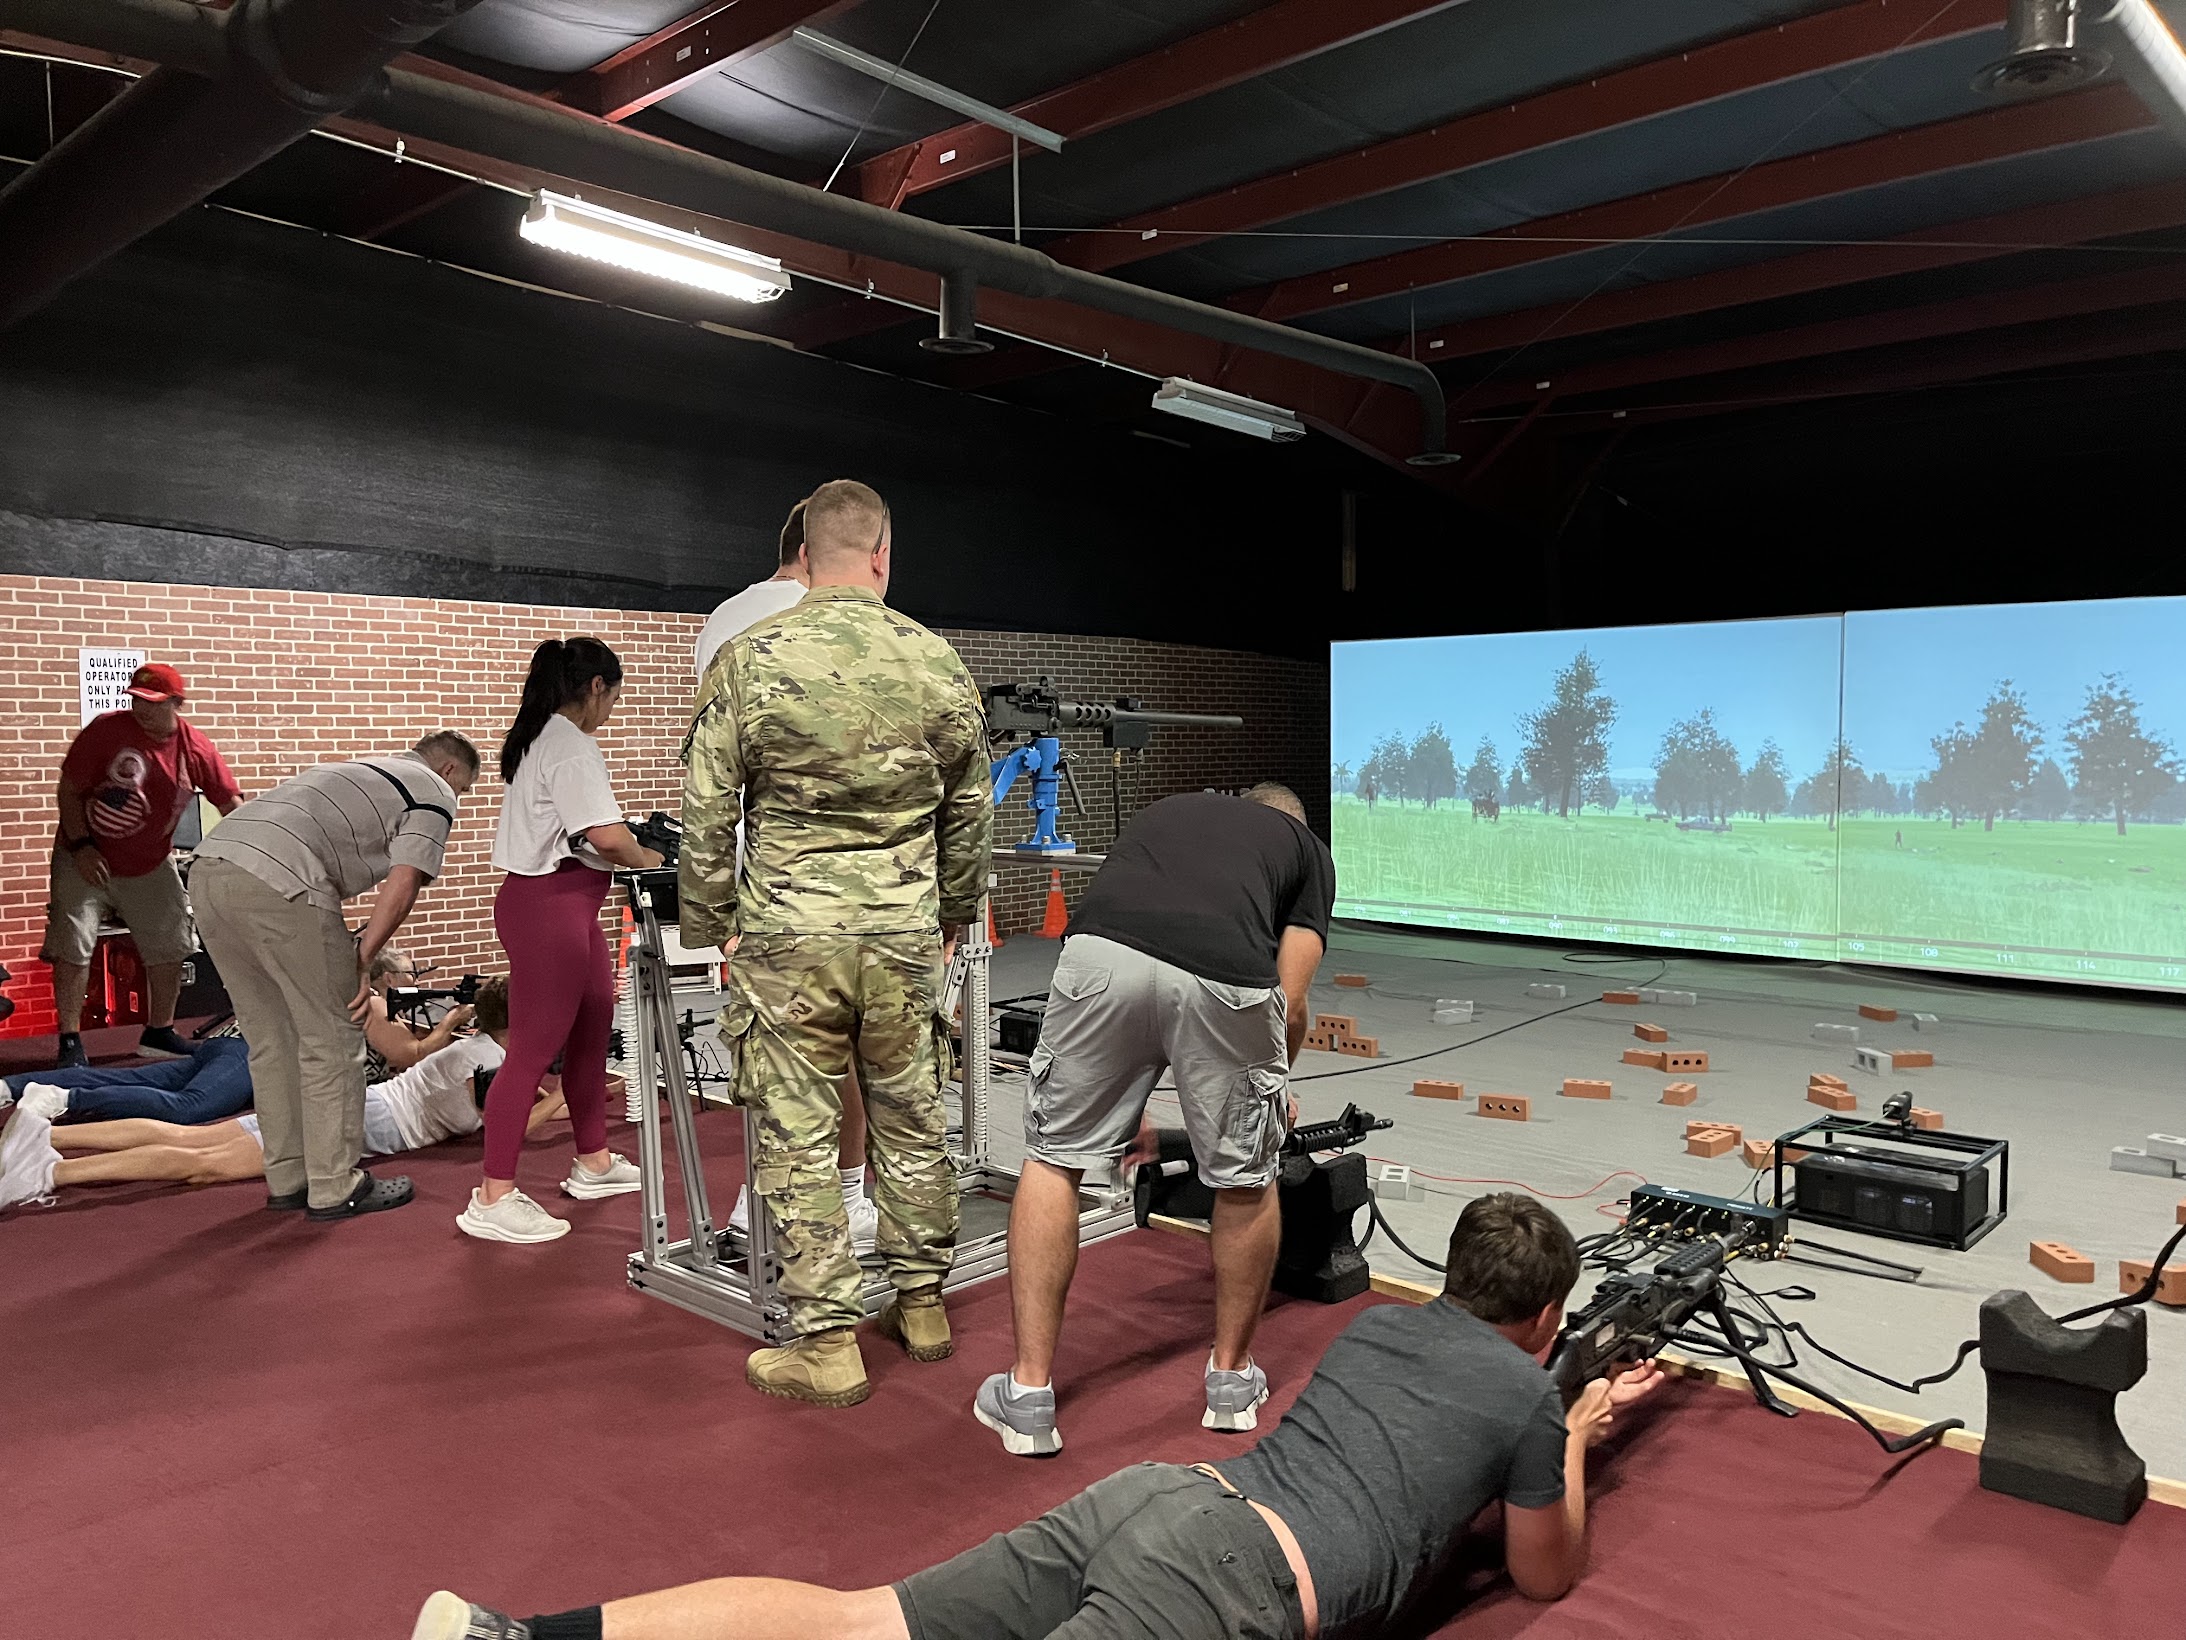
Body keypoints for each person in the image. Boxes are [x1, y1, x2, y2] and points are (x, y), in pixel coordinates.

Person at [408, 1193, 1667, 1640]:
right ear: (1549, 1317)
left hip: (1161, 1498)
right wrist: (1569, 1430)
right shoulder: (1520, 1389)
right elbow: (1543, 1574)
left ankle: (511, 1634)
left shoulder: (1379, 1321)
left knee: (859, 1620)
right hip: (1228, 1589)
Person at [682, 477, 992, 1407]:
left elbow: (706, 803)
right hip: (902, 931)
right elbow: (970, 809)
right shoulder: (937, 661)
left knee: (800, 1130)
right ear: (884, 557)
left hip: (789, 933)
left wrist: (713, 923)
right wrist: (951, 917)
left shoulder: (749, 655)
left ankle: (824, 1340)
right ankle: (924, 1302)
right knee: (911, 1115)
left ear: (804, 558)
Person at [976, 783, 1336, 1457]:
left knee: (1054, 1158)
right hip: (1225, 975)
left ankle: (1028, 1397)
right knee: (1245, 1181)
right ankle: (1230, 1385)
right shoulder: (1305, 850)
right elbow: (1289, 1001)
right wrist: (1271, 1088)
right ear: (1294, 825)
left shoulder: (1172, 811)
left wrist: (1122, 1102)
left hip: (1098, 956)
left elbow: (1141, 964)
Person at [189, 731, 480, 1222]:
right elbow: (405, 880)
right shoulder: (432, 789)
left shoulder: (361, 767)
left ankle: (288, 1178)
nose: (459, 800)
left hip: (209, 869)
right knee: (333, 1037)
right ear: (450, 770)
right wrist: (363, 960)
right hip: (282, 880)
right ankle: (334, 1185)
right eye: (466, 789)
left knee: (270, 1041)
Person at [696, 497, 877, 1255]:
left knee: (782, 1047)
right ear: (816, 553)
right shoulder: (823, 614)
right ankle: (848, 1199)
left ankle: (759, 1203)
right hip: (830, 873)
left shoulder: (720, 621)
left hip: (753, 870)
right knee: (850, 1041)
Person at [0, 980, 564, 1210]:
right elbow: (510, 1128)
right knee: (206, 1165)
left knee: (191, 1136)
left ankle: (45, 1133)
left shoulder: (478, 1050)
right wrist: (566, 1098)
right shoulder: (492, 1063)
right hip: (356, 1122)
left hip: (358, 1109)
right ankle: (48, 1174)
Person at [459, 638, 658, 1246]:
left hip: (571, 905)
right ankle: (493, 1194)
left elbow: (583, 837)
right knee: (531, 1051)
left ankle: (593, 1161)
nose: (613, 710)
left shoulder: (541, 737)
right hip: (549, 909)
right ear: (596, 687)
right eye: (614, 697)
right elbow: (605, 835)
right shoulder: (570, 746)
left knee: (596, 1021)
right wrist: (655, 858)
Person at [44, 662, 243, 1069]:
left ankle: (159, 1032)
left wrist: (248, 848)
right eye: (136, 700)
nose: (142, 709)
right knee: (74, 942)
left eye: (152, 703)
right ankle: (69, 1040)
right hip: (85, 855)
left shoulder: (196, 748)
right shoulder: (106, 730)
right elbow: (70, 788)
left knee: (171, 943)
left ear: (176, 703)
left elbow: (230, 804)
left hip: (150, 860)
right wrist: (81, 845)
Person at [2, 1033, 251, 1126]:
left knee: (130, 1078)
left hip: (230, 1044)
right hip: (253, 1049)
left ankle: (9, 1087)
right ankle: (63, 1098)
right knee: (189, 1105)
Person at [364, 945, 476, 1081]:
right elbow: (413, 1057)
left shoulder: (382, 1002)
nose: (417, 981)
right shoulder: (374, 1004)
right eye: (412, 974)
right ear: (389, 979)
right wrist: (453, 1019)